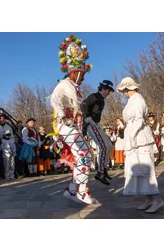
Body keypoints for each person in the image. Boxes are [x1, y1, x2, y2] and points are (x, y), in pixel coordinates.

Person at [50, 34, 96, 204]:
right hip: (66, 127)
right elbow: (54, 100)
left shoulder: (71, 86)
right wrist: (62, 115)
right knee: (85, 155)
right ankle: (81, 192)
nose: (83, 79)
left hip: (71, 127)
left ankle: (72, 190)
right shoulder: (64, 85)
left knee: (81, 156)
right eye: (82, 76)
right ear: (76, 73)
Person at [117, 77, 164, 214]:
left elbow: (138, 120)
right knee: (138, 169)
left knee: (145, 169)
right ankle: (149, 198)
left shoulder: (138, 99)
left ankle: (157, 199)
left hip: (139, 138)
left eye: (123, 91)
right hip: (133, 137)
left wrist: (132, 137)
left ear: (127, 89)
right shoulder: (132, 101)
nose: (123, 93)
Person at [80, 80, 115, 185]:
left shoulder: (101, 100)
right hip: (90, 124)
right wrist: (87, 117)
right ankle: (100, 173)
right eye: (108, 91)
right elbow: (83, 105)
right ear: (103, 89)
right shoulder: (94, 96)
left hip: (96, 124)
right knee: (103, 146)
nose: (109, 93)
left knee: (109, 144)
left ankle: (104, 169)